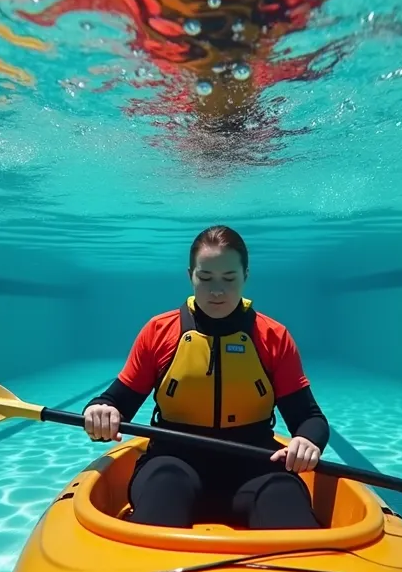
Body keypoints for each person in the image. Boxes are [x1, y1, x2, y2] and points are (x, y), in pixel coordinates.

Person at [81, 225, 330, 530]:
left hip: (256, 466)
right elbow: (116, 401)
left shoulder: (273, 337)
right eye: (206, 278)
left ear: (246, 277)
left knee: (282, 495)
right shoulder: (159, 332)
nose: (217, 291)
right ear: (190, 276)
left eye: (229, 279)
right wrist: (100, 411)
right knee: (164, 486)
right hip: (172, 462)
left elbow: (309, 418)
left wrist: (307, 440)